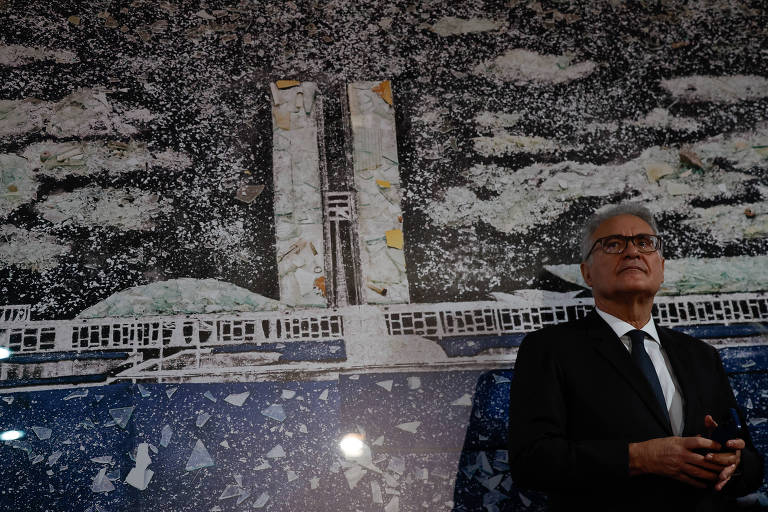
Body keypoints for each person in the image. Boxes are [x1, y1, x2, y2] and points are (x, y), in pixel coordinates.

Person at [508, 203, 764, 511]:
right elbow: (531, 462)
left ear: (661, 267)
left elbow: (752, 465)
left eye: (644, 243)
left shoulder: (701, 355)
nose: (632, 252)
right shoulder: (549, 349)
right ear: (586, 272)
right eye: (613, 244)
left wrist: (731, 463)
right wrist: (638, 458)